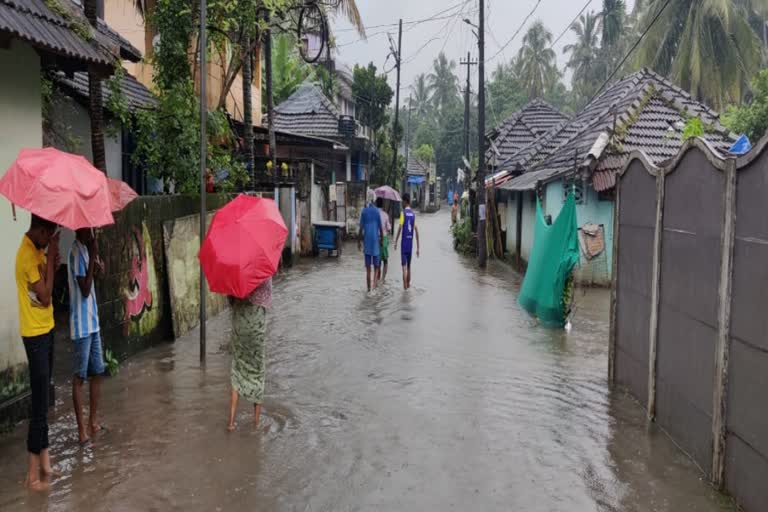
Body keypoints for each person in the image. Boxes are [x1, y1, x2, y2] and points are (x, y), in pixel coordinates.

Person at [16, 214, 59, 491]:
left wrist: (50, 258)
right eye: (50, 236)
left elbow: (47, 298)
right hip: (35, 334)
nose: (50, 242)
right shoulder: (27, 256)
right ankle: (32, 477)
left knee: (44, 400)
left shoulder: (38, 249)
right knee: (39, 405)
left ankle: (45, 463)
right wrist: (53, 262)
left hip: (48, 327)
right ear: (41, 231)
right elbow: (45, 296)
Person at [67, 228, 106, 445]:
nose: (92, 232)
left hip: (93, 322)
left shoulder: (86, 250)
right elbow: (84, 288)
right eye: (89, 228)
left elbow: (94, 280)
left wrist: (98, 267)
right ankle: (82, 430)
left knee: (98, 372)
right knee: (80, 377)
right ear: (80, 229)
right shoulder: (75, 253)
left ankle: (92, 421)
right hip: (81, 325)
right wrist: (92, 259)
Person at [228, 277, 272, 431]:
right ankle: (256, 422)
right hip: (256, 327)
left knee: (237, 367)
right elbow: (267, 298)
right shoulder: (263, 273)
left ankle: (231, 422)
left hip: (239, 326)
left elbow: (231, 301)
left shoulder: (234, 275)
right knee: (258, 370)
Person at [394, 194, 420, 290]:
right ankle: (408, 286)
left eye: (402, 202)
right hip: (410, 245)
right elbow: (416, 231)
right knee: (409, 267)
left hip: (404, 244)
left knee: (404, 268)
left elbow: (400, 227)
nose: (401, 203)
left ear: (405, 202)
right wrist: (418, 247)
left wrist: (396, 240)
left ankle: (405, 288)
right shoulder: (413, 214)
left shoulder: (403, 213)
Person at [358, 190, 383, 291]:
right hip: (375, 242)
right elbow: (381, 229)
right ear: (375, 199)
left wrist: (358, 242)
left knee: (368, 269)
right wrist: (381, 240)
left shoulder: (364, 211)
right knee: (376, 268)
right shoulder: (377, 211)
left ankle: (368, 290)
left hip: (367, 242)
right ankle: (374, 287)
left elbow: (360, 229)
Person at [376, 197, 392, 283]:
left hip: (376, 239)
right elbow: (389, 228)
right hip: (384, 239)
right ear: (382, 205)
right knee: (385, 260)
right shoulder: (385, 215)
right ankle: (383, 279)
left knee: (377, 260)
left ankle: (377, 278)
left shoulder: (375, 214)